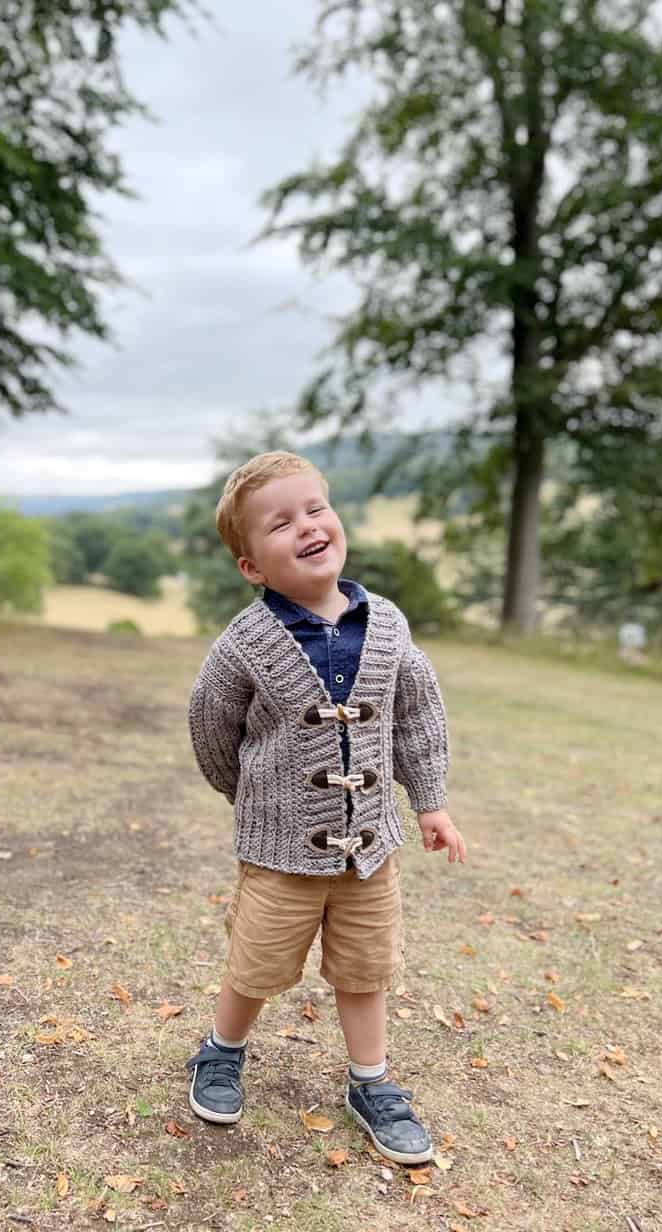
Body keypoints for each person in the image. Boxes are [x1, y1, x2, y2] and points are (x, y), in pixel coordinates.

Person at [186, 451, 466, 1164]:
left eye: (315, 509)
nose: (307, 526)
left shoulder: (389, 626)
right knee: (257, 962)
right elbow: (211, 726)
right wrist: (251, 798)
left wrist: (429, 802)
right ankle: (221, 1051)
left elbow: (417, 716)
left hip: (371, 850)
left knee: (366, 967)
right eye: (281, 523)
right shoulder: (244, 645)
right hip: (280, 853)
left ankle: (370, 1081)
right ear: (252, 565)